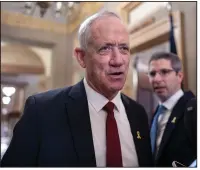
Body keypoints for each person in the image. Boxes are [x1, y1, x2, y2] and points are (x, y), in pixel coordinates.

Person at [1, 11, 153, 167]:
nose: (118, 60)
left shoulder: (138, 113)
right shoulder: (41, 110)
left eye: (124, 48)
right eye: (105, 49)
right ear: (81, 57)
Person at [148, 52, 196, 167]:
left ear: (179, 76)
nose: (157, 79)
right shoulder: (155, 114)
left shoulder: (194, 108)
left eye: (164, 72)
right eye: (152, 74)